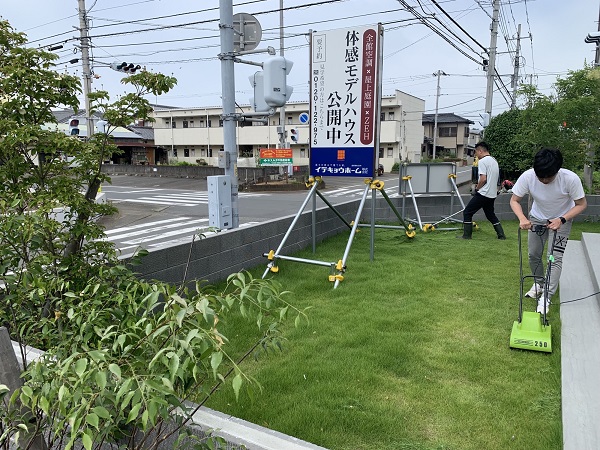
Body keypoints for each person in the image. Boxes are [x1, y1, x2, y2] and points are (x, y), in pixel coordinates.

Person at [509, 148, 587, 314]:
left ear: (557, 171)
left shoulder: (570, 179)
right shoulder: (528, 176)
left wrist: (562, 219)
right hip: (537, 218)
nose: (543, 180)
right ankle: (539, 283)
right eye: (540, 176)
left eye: (548, 177)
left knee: (554, 257)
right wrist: (522, 218)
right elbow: (514, 200)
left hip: (562, 220)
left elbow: (581, 204)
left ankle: (547, 296)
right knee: (533, 254)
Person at [458, 142, 505, 240]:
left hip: (484, 193)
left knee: (467, 212)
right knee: (490, 214)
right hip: (492, 193)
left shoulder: (483, 161)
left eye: (476, 152)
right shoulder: (494, 160)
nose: (475, 155)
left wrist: (477, 188)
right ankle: (501, 235)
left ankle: (466, 236)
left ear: (480, 151)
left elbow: (483, 179)